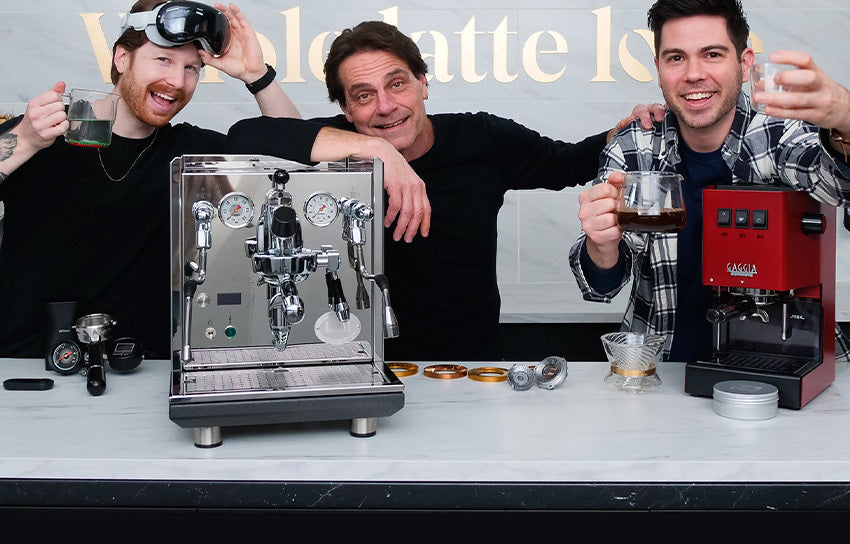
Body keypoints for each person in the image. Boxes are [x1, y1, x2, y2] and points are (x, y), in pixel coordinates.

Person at [0, 0, 428, 360]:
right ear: (121, 57)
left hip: (143, 362)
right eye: (163, 60)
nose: (176, 81)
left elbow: (297, 156)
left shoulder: (188, 150)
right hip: (28, 360)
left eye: (192, 69)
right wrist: (25, 139)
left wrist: (258, 78)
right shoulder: (44, 131)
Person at [229, 20, 663, 360]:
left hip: (468, 365)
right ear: (345, 109)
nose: (384, 106)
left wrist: (630, 127)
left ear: (423, 82)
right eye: (363, 96)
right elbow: (249, 138)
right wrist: (377, 148)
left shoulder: (482, 139)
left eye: (397, 84)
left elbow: (569, 161)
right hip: (358, 359)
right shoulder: (339, 145)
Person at [569, 0, 850, 361]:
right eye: (676, 58)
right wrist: (601, 245)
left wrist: (845, 119)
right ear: (658, 68)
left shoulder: (780, 135)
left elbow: (835, 183)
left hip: (785, 360)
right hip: (660, 368)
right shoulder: (634, 147)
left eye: (713, 54)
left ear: (745, 62)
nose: (693, 74)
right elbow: (601, 288)